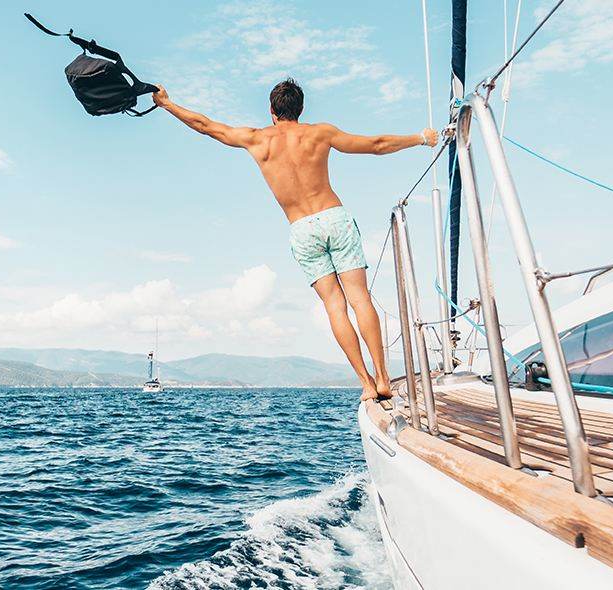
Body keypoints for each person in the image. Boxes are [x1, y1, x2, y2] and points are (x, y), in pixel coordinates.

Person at [152, 79, 438, 401]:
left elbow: (205, 125)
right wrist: (421, 138)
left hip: (302, 228)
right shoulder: (320, 133)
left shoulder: (257, 140)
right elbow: (377, 144)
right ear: (300, 110)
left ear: (272, 111)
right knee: (360, 298)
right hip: (334, 217)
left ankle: (367, 384)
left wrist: (166, 103)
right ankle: (384, 378)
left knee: (335, 305)